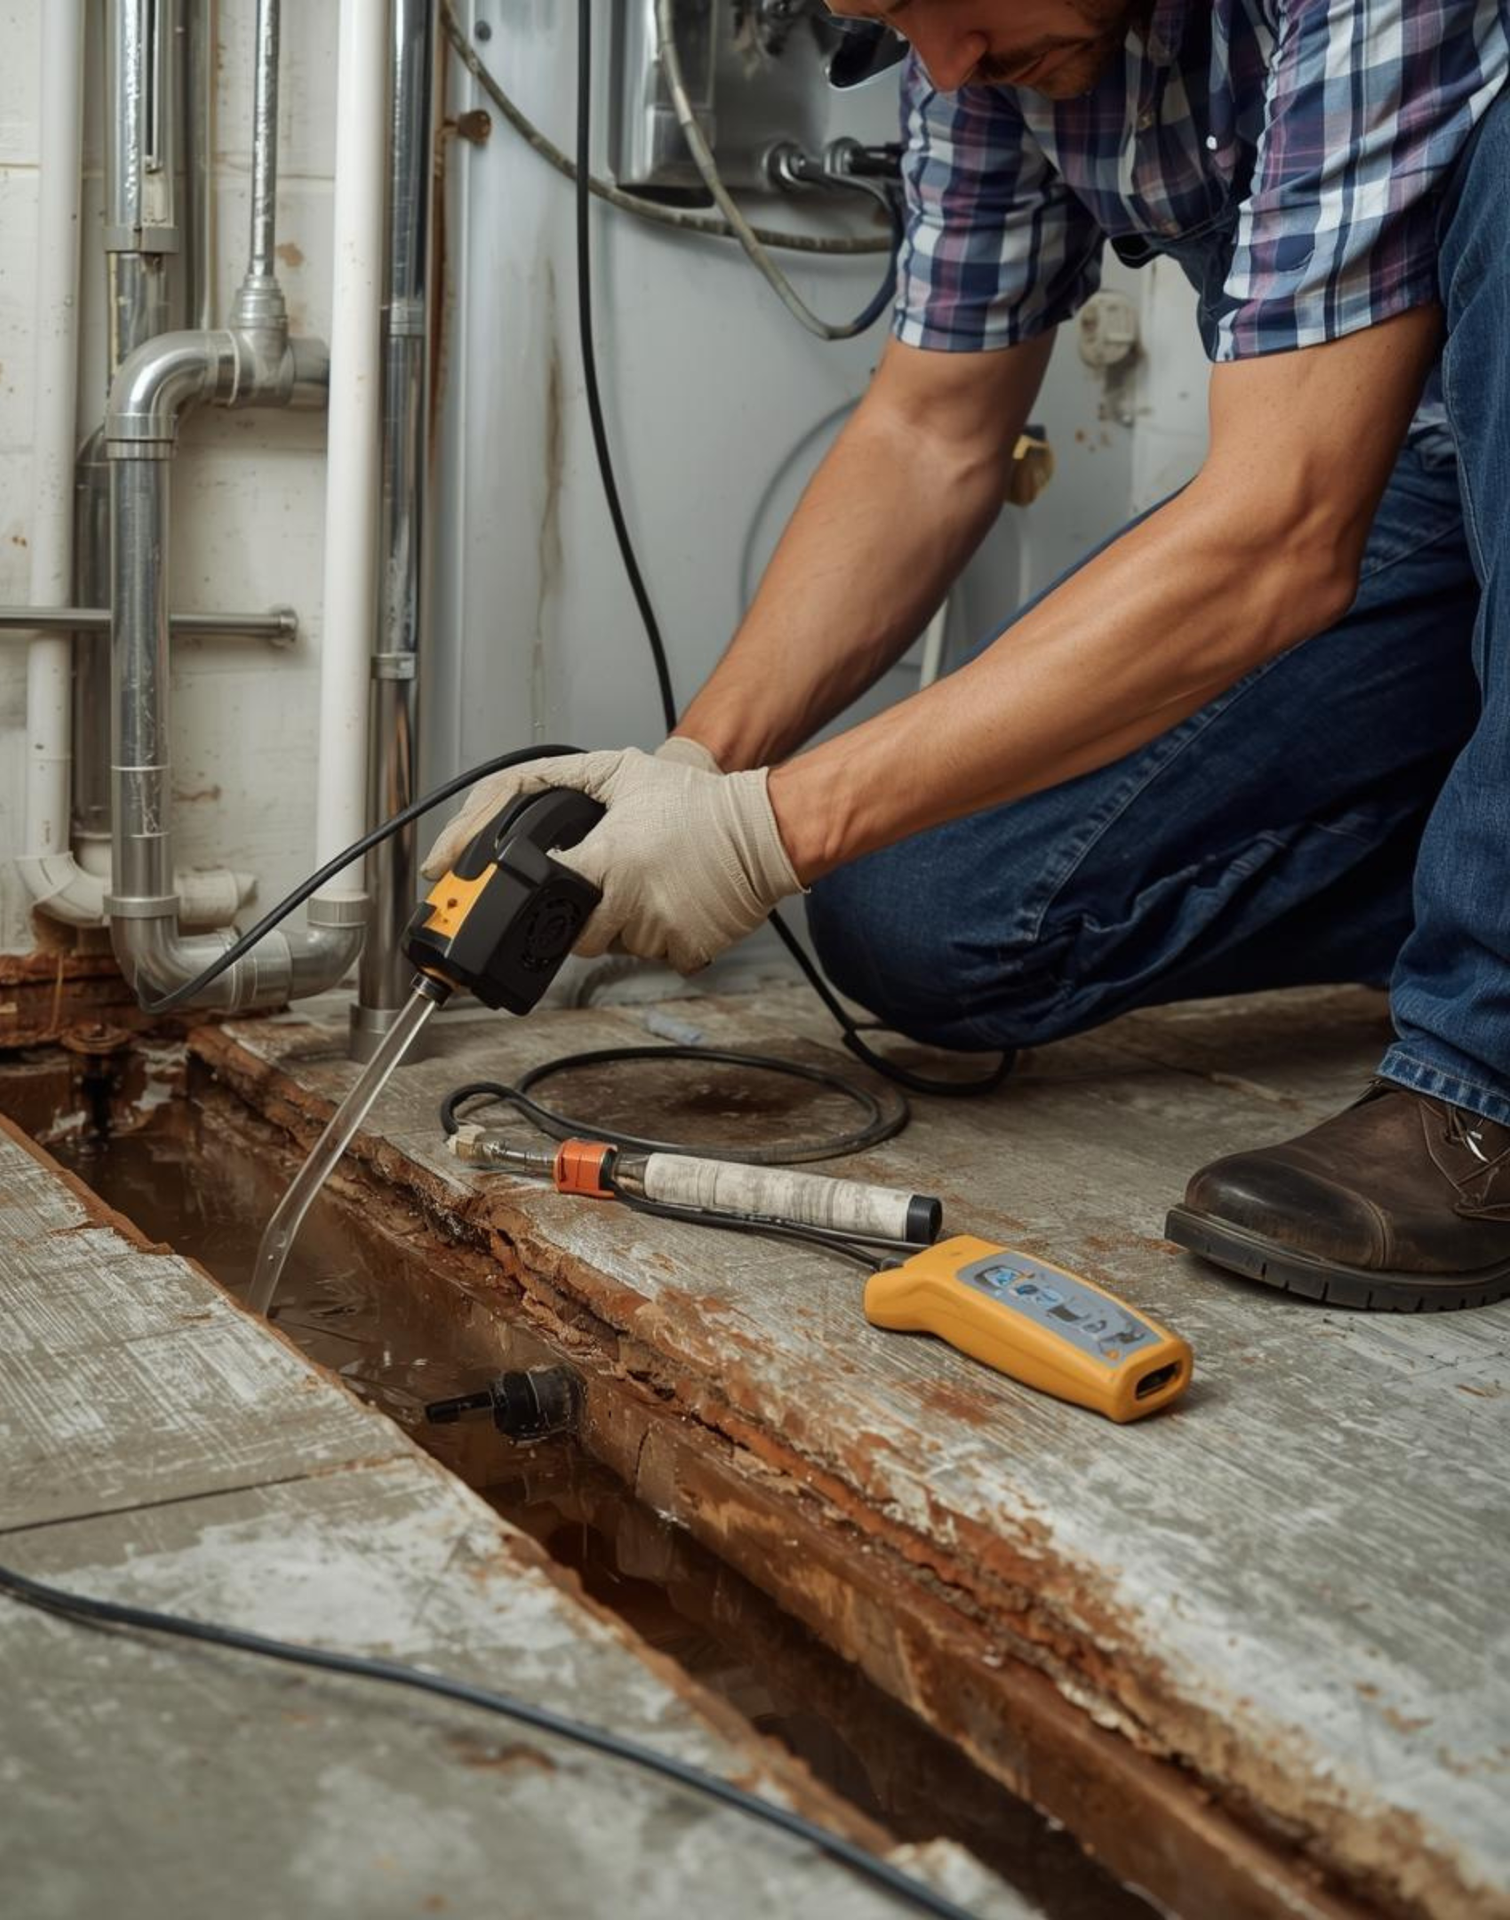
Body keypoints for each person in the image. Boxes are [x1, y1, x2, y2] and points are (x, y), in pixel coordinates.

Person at [425, 0, 1510, 1310]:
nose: (941, 65)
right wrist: (691, 775)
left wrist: (761, 834)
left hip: (1351, 483)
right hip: (1414, 479)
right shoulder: (984, 48)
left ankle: (1481, 1073)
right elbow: (930, 435)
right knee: (919, 919)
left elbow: (1280, 528)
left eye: (945, 2)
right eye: (888, 23)